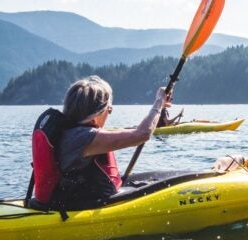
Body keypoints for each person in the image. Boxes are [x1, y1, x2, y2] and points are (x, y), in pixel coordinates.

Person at [55, 75, 171, 209]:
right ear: (94, 115)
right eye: (109, 110)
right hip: (83, 205)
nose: (109, 114)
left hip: (75, 198)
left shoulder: (68, 132)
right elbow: (142, 134)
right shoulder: (84, 138)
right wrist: (159, 102)